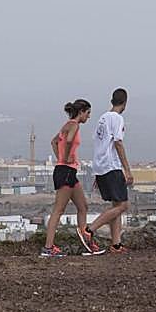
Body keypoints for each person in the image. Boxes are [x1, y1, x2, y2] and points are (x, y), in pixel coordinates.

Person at [41, 99, 105, 257]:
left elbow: (54, 141)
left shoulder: (66, 125)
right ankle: (48, 248)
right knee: (58, 210)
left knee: (83, 206)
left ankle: (86, 242)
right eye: (88, 113)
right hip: (66, 172)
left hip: (67, 170)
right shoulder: (74, 125)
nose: (88, 117)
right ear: (81, 112)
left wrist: (61, 158)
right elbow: (68, 141)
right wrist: (67, 157)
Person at [84, 87, 133, 253]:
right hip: (111, 166)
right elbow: (118, 143)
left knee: (116, 204)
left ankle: (116, 243)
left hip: (100, 166)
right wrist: (127, 169)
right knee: (124, 205)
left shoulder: (102, 118)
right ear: (125, 103)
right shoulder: (116, 118)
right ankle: (90, 229)